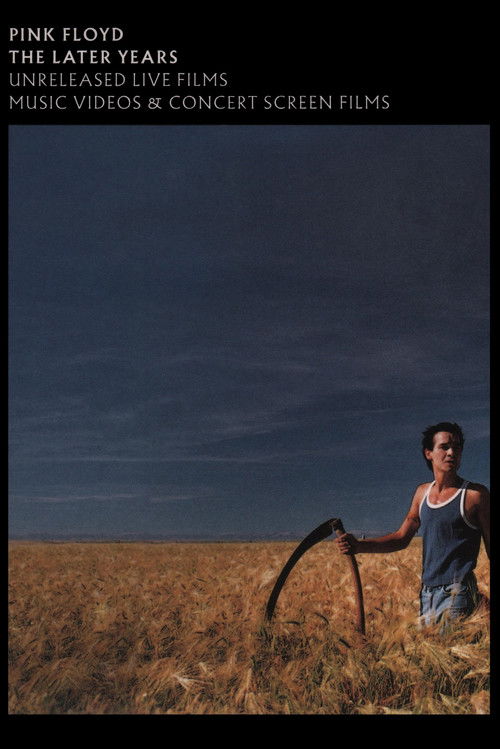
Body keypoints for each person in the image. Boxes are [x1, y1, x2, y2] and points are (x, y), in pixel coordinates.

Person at [336, 422, 490, 628]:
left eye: (457, 447)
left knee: (451, 646)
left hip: (458, 592)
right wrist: (359, 546)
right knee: (432, 647)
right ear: (429, 453)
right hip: (427, 593)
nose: (452, 452)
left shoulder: (475, 495)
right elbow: (401, 538)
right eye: (444, 447)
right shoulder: (421, 494)